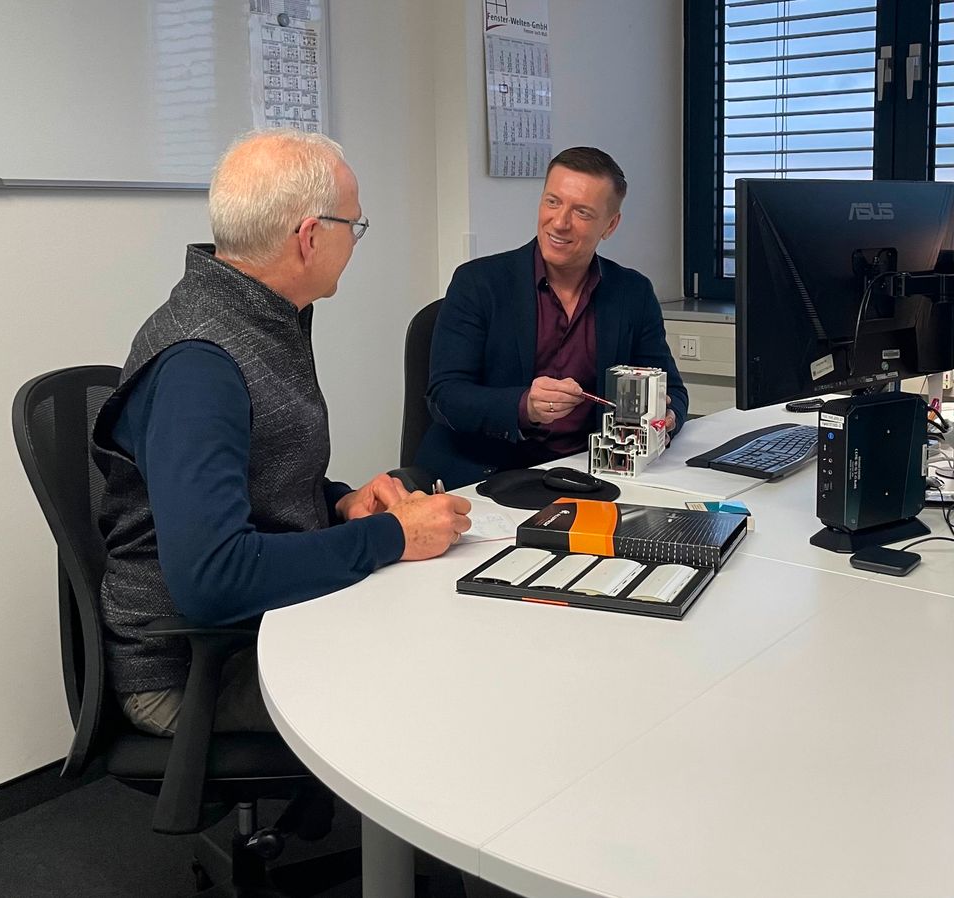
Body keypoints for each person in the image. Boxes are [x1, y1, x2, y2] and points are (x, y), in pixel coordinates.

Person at [91, 129, 471, 737]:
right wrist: (389, 536)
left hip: (249, 628)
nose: (356, 240)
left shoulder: (257, 316)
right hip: (192, 671)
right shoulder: (201, 364)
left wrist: (339, 502)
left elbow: (258, 480)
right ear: (311, 236)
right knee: (430, 673)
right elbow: (214, 579)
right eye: (355, 225)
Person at [416, 146, 689, 489]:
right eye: (553, 202)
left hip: (586, 474)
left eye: (582, 212)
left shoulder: (632, 293)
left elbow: (674, 391)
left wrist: (667, 414)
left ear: (610, 225)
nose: (559, 222)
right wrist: (522, 405)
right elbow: (445, 396)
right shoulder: (479, 283)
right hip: (486, 474)